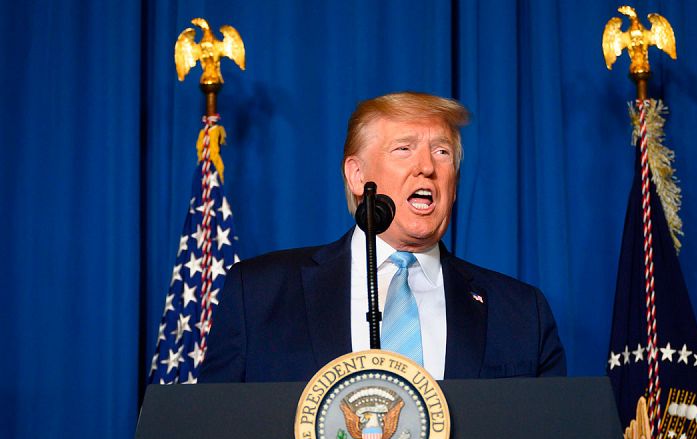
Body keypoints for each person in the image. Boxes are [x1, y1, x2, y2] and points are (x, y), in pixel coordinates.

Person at [200, 92, 566, 382]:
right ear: (357, 176)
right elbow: (215, 430)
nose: (427, 167)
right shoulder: (259, 295)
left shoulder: (519, 313)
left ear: (454, 185)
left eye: (442, 152)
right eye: (404, 149)